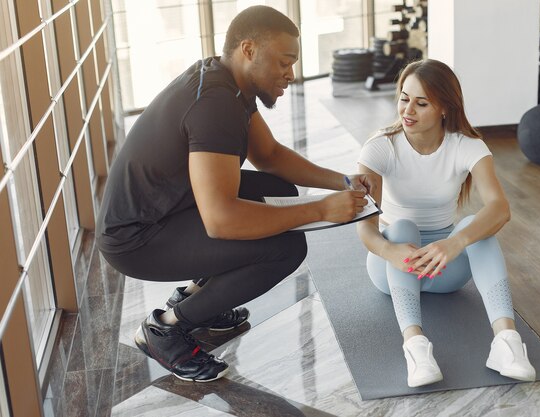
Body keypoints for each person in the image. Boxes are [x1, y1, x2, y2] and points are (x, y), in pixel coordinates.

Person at [95, 5, 371, 383]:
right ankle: (165, 328)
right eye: (284, 62)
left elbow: (269, 155)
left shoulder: (227, 81)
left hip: (167, 210)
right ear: (248, 50)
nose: (291, 75)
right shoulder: (216, 104)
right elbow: (221, 219)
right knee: (286, 248)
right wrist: (321, 208)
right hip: (137, 239)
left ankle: (196, 298)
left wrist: (343, 182)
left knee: (277, 191)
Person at [356, 59, 536, 388]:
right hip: (391, 266)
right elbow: (364, 224)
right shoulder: (381, 146)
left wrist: (454, 243)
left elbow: (500, 208)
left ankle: (507, 343)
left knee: (476, 227)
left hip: (445, 268)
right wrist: (390, 250)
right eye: (404, 98)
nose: (407, 110)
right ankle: (415, 348)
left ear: (443, 108)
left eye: (421, 103)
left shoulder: (466, 146)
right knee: (402, 228)